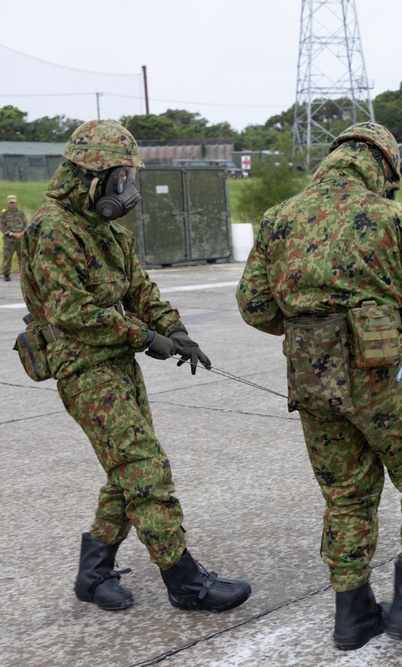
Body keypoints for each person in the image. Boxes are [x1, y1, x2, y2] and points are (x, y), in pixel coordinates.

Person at [236, 122, 402, 650]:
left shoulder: (278, 219)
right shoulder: (392, 218)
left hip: (312, 379)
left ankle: (353, 615)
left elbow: (253, 307)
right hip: (381, 375)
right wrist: (388, 329)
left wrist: (311, 329)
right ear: (384, 166)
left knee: (345, 494)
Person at [18, 120, 251, 614]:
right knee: (144, 466)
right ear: (92, 176)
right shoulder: (52, 229)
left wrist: (176, 330)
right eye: (122, 177)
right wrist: (146, 337)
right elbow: (74, 314)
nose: (128, 188)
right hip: (83, 367)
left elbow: (139, 290)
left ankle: (93, 571)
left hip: (116, 364)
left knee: (124, 470)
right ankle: (184, 581)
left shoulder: (105, 229)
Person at [2, 194, 27, 281]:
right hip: (9, 239)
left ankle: (24, 274)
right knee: (7, 257)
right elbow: (2, 226)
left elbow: (25, 224)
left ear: (16, 203)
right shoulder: (4, 214)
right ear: (8, 203)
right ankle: (6, 274)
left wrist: (22, 233)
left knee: (22, 257)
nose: (12, 204)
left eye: (13, 203)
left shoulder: (21, 213)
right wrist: (11, 233)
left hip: (20, 239)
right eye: (10, 203)